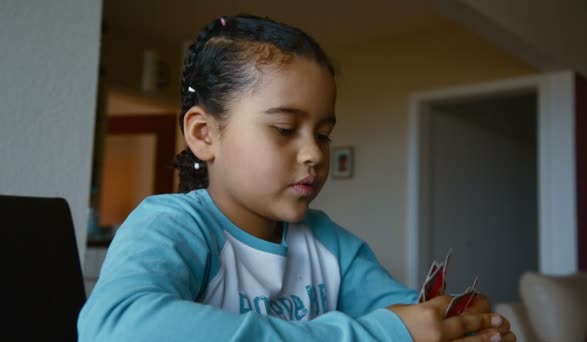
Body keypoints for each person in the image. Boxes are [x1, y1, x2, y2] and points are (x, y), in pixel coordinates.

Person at [78, 14, 514, 341]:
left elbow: (404, 315)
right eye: (285, 129)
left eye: (324, 134)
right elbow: (116, 328)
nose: (313, 153)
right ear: (204, 133)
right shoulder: (173, 226)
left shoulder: (332, 245)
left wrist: (459, 325)